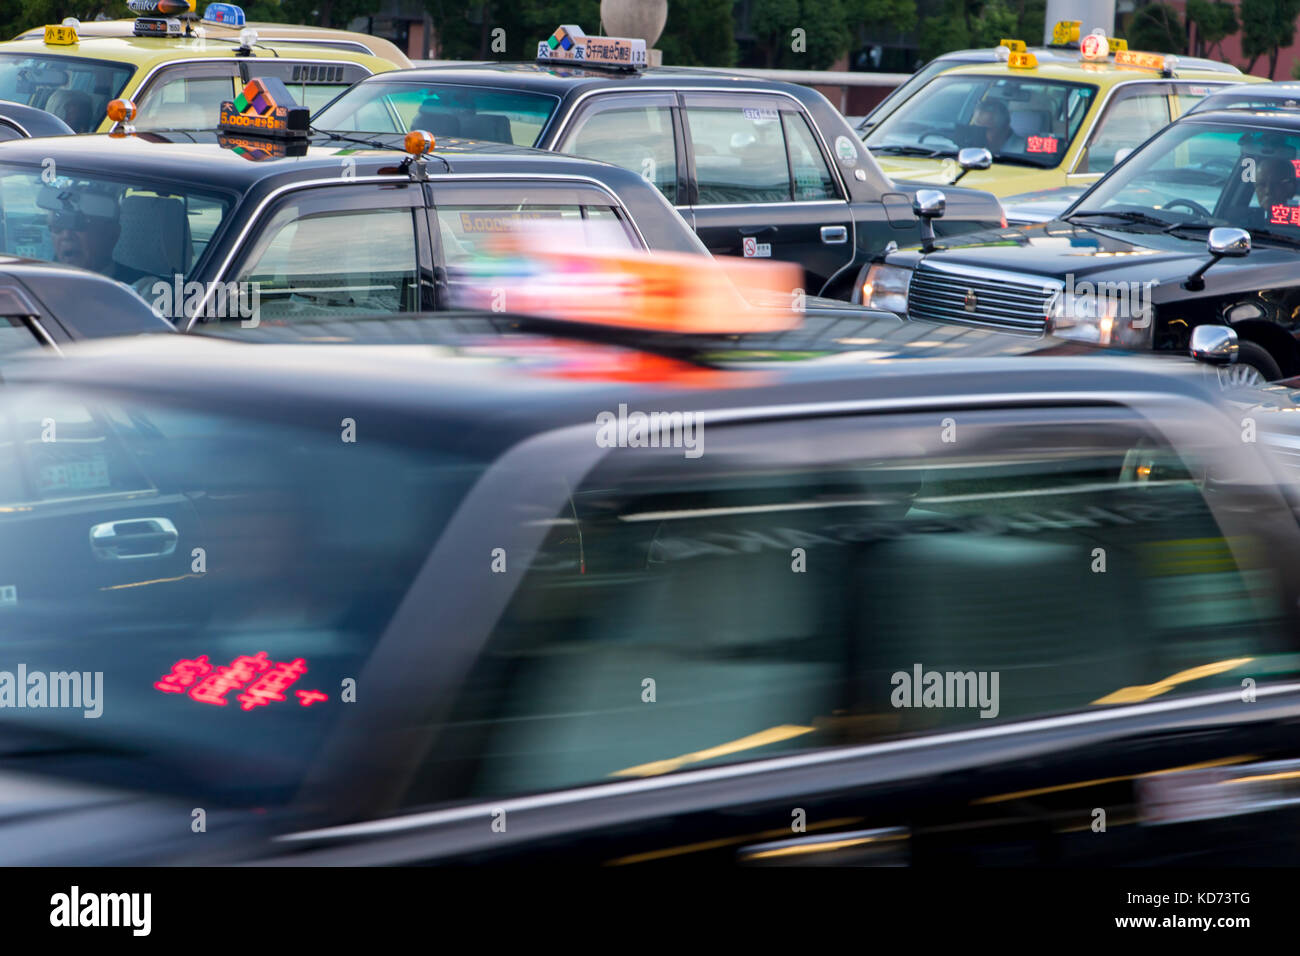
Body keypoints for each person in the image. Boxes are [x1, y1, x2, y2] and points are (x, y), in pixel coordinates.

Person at [44, 185, 150, 284]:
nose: (66, 235)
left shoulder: (143, 291)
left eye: (80, 223)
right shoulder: (36, 281)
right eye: (58, 226)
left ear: (112, 234)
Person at [1248, 155, 1298, 228]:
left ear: (1292, 186)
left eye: (1276, 184)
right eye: (1261, 184)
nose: (1268, 190)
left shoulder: (1295, 221)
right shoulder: (1243, 221)